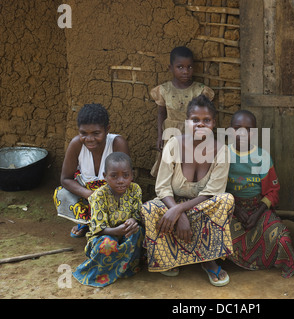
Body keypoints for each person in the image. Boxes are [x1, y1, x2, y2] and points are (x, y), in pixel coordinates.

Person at [141, 95, 234, 287]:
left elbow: (212, 193)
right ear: (187, 122)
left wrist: (179, 211)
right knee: (148, 209)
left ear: (213, 123)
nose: (201, 125)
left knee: (226, 200)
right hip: (172, 202)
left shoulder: (222, 150)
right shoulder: (174, 144)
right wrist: (176, 210)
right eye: (195, 120)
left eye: (206, 120)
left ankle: (208, 260)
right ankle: (170, 257)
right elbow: (163, 187)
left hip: (203, 207)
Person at [225, 110, 294, 278]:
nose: (242, 133)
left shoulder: (262, 157)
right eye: (237, 128)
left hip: (259, 208)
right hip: (231, 209)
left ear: (255, 133)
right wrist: (236, 209)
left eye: (248, 129)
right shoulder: (222, 155)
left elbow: (273, 192)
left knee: (282, 237)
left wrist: (258, 214)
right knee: (218, 231)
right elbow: (216, 189)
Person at [53, 103, 130, 238]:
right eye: (84, 133)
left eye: (96, 133)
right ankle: (87, 223)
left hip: (113, 195)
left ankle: (104, 226)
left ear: (107, 129)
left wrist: (103, 197)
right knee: (61, 193)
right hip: (88, 197)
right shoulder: (76, 144)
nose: (89, 139)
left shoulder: (117, 143)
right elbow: (65, 179)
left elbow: (125, 179)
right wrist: (89, 195)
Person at [73, 152, 144, 287]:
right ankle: (107, 272)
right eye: (114, 176)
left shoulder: (135, 189)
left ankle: (127, 268)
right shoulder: (99, 195)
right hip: (104, 236)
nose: (121, 180)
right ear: (105, 176)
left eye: (126, 175)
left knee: (138, 232)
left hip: (125, 234)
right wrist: (116, 231)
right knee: (107, 244)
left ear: (132, 175)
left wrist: (134, 222)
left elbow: (137, 214)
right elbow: (97, 229)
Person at [150, 46, 215, 176]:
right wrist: (159, 136)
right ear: (170, 68)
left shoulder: (199, 91)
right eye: (180, 67)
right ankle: (168, 192)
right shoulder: (164, 90)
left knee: (191, 162)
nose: (185, 71)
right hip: (170, 134)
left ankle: (188, 192)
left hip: (193, 133)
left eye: (189, 67)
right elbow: (161, 113)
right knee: (170, 165)